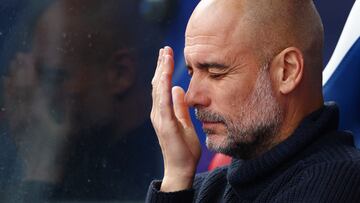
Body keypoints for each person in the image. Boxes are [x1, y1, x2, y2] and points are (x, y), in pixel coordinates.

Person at [147, 0, 360, 202]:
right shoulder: (203, 188)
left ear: (287, 71)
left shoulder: (339, 183)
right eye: (192, 72)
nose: (191, 97)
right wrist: (177, 175)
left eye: (215, 72)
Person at [3, 0, 162, 201]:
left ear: (120, 74)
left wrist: (41, 162)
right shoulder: (89, 153)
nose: (38, 96)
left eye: (54, 77)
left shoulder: (154, 178)